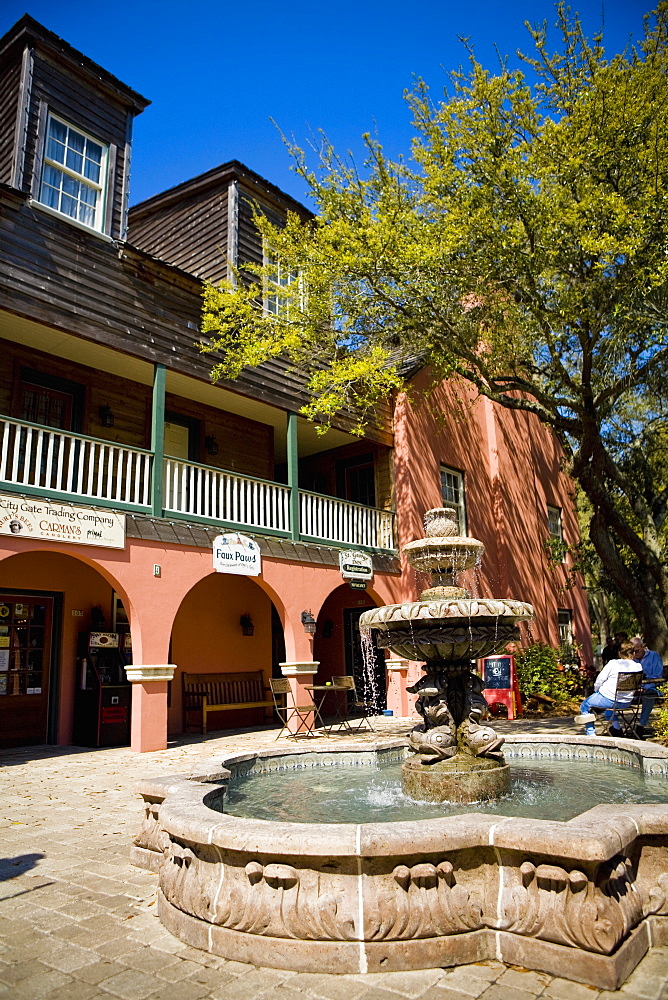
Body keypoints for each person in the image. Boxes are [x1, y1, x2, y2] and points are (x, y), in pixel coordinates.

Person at [576, 641, 642, 736]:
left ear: (619, 653)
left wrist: (597, 691)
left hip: (608, 699)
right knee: (609, 707)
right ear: (634, 653)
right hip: (626, 702)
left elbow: (600, 679)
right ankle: (616, 728)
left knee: (585, 705)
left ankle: (591, 734)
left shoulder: (613, 663)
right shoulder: (638, 666)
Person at [633, 639, 664, 732]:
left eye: (636, 651)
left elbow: (657, 676)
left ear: (643, 647)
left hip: (652, 687)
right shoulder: (631, 659)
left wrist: (644, 687)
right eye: (632, 651)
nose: (634, 654)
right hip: (635, 689)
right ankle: (615, 726)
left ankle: (641, 725)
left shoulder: (654, 656)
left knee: (649, 695)